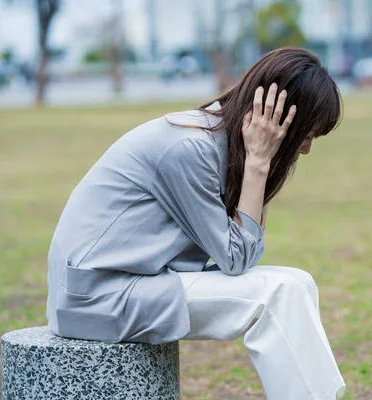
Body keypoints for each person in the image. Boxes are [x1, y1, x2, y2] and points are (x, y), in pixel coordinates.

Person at [46, 47, 346, 399]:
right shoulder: (191, 148)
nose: (306, 148)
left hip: (135, 283)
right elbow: (236, 258)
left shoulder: (219, 142)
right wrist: (259, 164)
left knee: (299, 282)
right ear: (278, 119)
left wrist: (258, 163)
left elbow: (242, 247)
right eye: (307, 134)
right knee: (278, 293)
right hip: (96, 297)